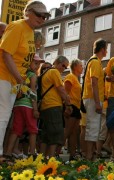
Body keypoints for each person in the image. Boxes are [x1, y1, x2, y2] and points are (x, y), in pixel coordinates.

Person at [0, 0, 49, 162]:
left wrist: (21, 80)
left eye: (45, 16)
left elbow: (23, 60)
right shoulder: (17, 26)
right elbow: (6, 54)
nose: (42, 18)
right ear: (27, 12)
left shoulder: (29, 31)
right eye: (39, 14)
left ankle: (3, 153)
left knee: (6, 117)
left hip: (13, 81)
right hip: (4, 76)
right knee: (3, 116)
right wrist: (19, 78)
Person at [3, 54, 44, 161]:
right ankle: (32, 153)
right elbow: (33, 92)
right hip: (28, 105)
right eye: (35, 63)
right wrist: (35, 109)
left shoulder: (20, 74)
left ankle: (7, 152)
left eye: (39, 64)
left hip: (18, 104)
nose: (37, 66)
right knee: (33, 130)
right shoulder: (33, 76)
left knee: (16, 130)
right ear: (29, 62)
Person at [39, 55, 72, 158]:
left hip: (45, 106)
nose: (64, 69)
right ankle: (52, 159)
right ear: (57, 62)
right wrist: (68, 104)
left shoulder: (46, 73)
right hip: (53, 106)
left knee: (45, 135)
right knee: (55, 133)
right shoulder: (54, 72)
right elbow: (61, 89)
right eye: (63, 66)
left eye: (66, 67)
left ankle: (42, 158)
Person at [82, 38, 107, 161]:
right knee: (92, 128)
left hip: (91, 98)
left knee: (93, 127)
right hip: (93, 99)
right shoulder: (96, 62)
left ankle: (90, 155)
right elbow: (94, 83)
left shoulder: (93, 61)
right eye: (106, 49)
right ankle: (89, 156)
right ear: (103, 50)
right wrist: (97, 103)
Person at [61, 59, 83, 161]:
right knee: (68, 131)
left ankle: (72, 154)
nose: (82, 67)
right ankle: (56, 152)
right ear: (75, 67)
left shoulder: (76, 79)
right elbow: (66, 92)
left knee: (75, 132)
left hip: (77, 107)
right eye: (80, 65)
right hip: (71, 106)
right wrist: (67, 106)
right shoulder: (70, 77)